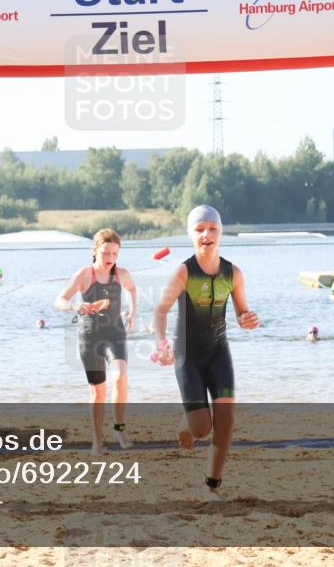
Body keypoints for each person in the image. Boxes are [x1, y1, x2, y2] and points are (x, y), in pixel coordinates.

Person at [152, 205, 260, 501]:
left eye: (212, 228)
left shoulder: (233, 273)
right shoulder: (184, 272)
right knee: (201, 429)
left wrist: (249, 320)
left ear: (221, 232)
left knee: (226, 422)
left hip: (218, 352)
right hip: (188, 355)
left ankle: (211, 486)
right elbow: (160, 311)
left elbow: (243, 313)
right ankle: (188, 419)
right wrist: (162, 345)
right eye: (199, 230)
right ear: (191, 235)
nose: (207, 234)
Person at [55, 229, 138, 455]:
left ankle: (119, 428)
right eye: (105, 253)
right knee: (98, 392)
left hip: (115, 333)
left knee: (120, 376)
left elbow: (131, 288)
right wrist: (76, 306)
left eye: (114, 253)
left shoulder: (122, 274)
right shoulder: (84, 275)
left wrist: (132, 312)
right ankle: (97, 440)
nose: (110, 258)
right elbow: (59, 301)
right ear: (94, 251)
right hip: (90, 337)